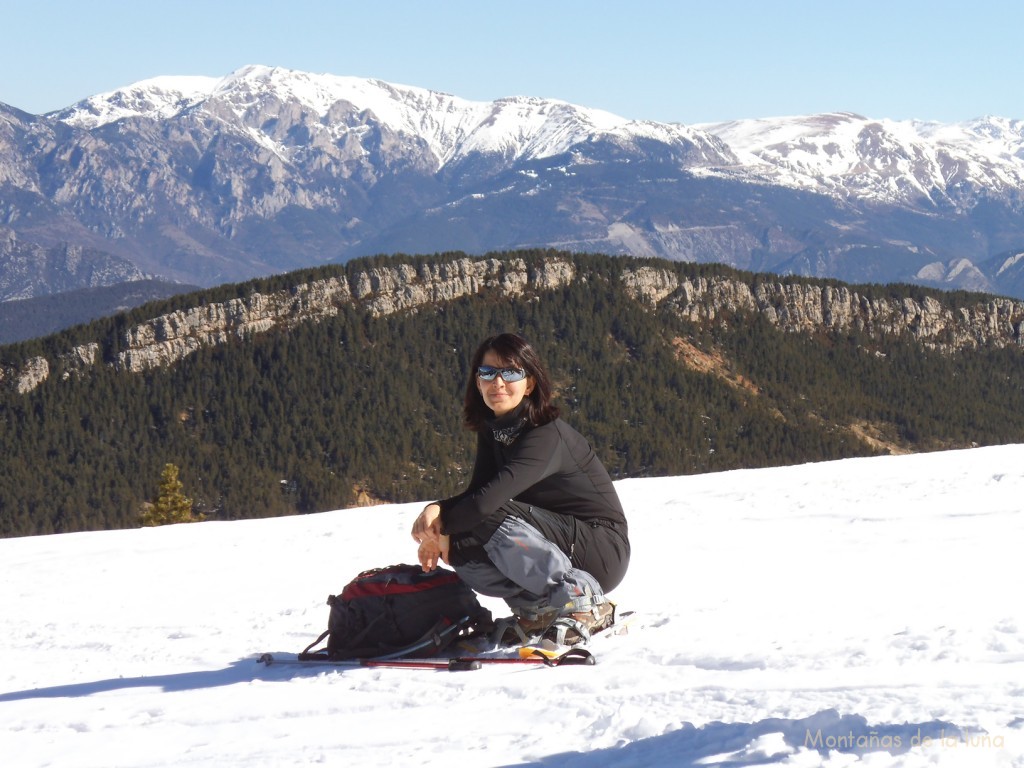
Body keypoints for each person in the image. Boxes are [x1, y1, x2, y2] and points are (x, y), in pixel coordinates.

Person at [411, 333, 630, 645]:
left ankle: (583, 603)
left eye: (510, 372)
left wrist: (441, 525)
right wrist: (437, 513)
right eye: (487, 373)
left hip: (601, 549)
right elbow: (477, 494)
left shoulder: (544, 435)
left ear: (529, 384)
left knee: (481, 517)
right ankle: (536, 611)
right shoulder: (495, 430)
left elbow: (484, 505)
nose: (497, 382)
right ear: (477, 382)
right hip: (561, 540)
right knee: (464, 540)